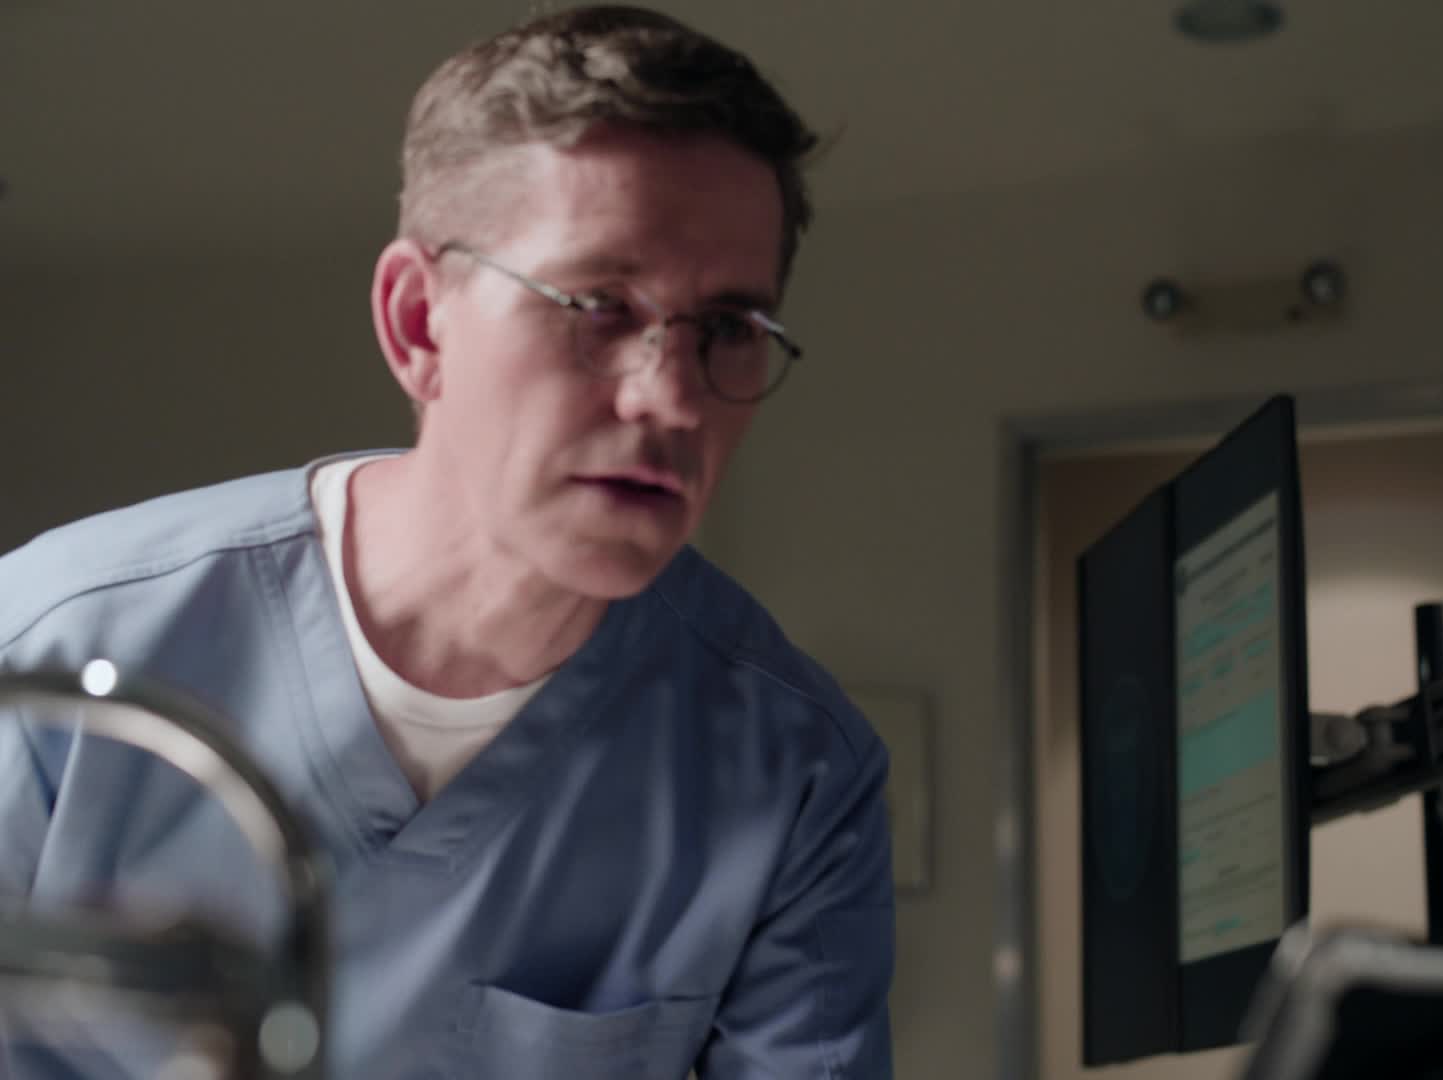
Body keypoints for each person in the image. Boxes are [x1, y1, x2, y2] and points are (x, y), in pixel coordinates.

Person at [0, 5, 894, 1077]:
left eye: (730, 330)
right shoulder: (49, 649)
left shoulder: (793, 772)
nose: (670, 397)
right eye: (600, 305)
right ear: (419, 322)